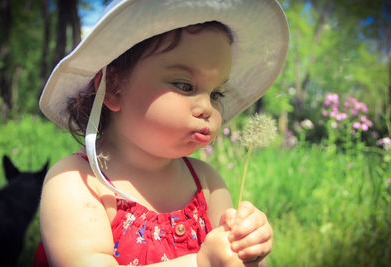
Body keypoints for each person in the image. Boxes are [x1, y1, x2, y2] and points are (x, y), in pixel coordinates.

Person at [33, 0, 289, 266]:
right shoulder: (77, 182)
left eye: (216, 94)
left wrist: (248, 251)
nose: (207, 108)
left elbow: (228, 258)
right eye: (185, 85)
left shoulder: (207, 184)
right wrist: (202, 263)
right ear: (113, 88)